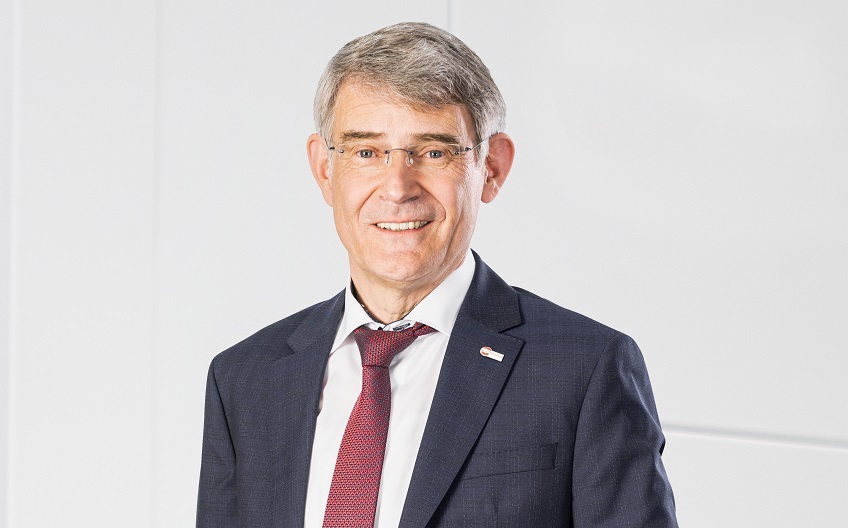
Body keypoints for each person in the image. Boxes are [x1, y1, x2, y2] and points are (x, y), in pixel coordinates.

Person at [197, 22, 677, 528]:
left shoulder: (584, 369)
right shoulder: (246, 379)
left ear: (492, 168)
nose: (397, 187)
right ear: (324, 169)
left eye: (433, 152)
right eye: (366, 152)